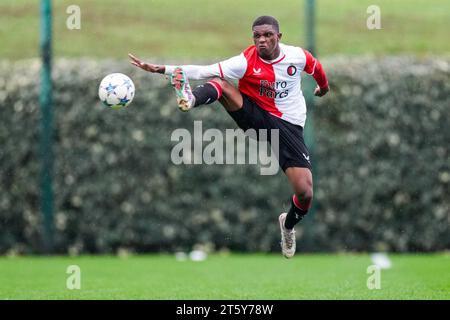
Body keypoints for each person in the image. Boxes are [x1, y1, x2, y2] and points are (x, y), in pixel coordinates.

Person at [129, 15, 329, 258]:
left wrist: (324, 88)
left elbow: (316, 68)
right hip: (256, 116)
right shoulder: (245, 61)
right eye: (257, 36)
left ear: (279, 36)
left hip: (289, 126)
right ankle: (190, 99)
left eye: (267, 35)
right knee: (220, 84)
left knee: (305, 192)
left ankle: (287, 226)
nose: (262, 40)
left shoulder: (297, 56)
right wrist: (163, 69)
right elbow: (205, 70)